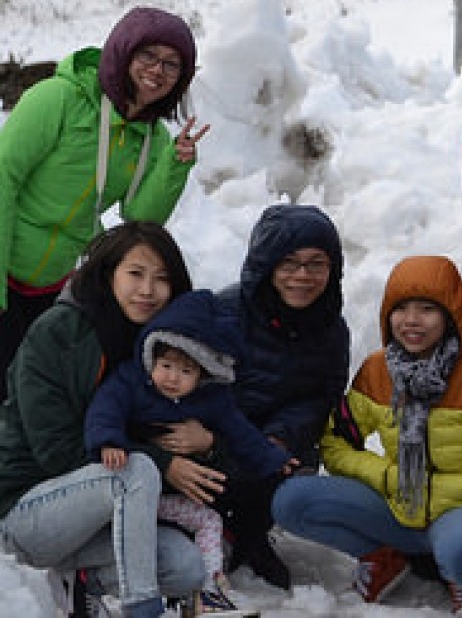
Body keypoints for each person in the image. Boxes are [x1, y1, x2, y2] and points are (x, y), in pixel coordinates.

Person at [273, 254, 462, 614]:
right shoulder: (377, 371)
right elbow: (336, 443)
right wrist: (388, 476)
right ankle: (386, 558)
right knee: (292, 502)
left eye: (427, 309)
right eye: (401, 309)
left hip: (459, 512)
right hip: (397, 504)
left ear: (451, 315)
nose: (411, 321)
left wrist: (438, 490)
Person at [0, 222, 208, 618]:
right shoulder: (58, 333)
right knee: (136, 469)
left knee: (185, 567)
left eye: (162, 279)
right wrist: (161, 463)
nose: (147, 290)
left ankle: (83, 582)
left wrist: (205, 443)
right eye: (135, 274)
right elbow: (56, 454)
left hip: (106, 516)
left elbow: (198, 429)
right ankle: (142, 610)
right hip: (28, 512)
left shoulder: (165, 347)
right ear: (108, 272)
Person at [0, 6, 208, 397]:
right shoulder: (58, 98)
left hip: (52, 285)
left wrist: (174, 166)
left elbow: (138, 221)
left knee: (26, 390)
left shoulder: (153, 140)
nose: (158, 70)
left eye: (172, 64)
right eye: (148, 55)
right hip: (6, 268)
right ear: (123, 51)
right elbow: (3, 176)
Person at [83, 287, 293, 616]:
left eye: (185, 372)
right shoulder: (130, 381)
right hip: (129, 494)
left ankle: (210, 591)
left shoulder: (212, 401)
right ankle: (111, 589)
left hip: (168, 499)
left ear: (203, 375)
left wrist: (273, 460)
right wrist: (108, 440)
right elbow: (104, 409)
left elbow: (242, 435)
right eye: (166, 365)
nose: (171, 378)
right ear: (152, 355)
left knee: (209, 521)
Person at [214, 202, 350, 590]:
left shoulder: (331, 329)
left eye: (316, 264)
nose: (302, 276)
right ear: (267, 265)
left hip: (279, 440)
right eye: (289, 263)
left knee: (285, 463)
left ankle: (253, 537)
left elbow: (322, 397)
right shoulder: (226, 311)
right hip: (220, 432)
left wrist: (280, 435)